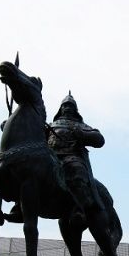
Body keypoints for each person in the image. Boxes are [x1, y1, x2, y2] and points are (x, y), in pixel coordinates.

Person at [46, 91, 106, 224]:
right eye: (64, 106)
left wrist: (83, 135)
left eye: (70, 106)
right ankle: (20, 205)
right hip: (51, 158)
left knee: (77, 171)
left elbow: (99, 139)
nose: (67, 108)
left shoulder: (81, 125)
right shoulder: (51, 125)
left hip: (71, 157)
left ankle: (80, 208)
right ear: (60, 109)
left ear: (75, 110)